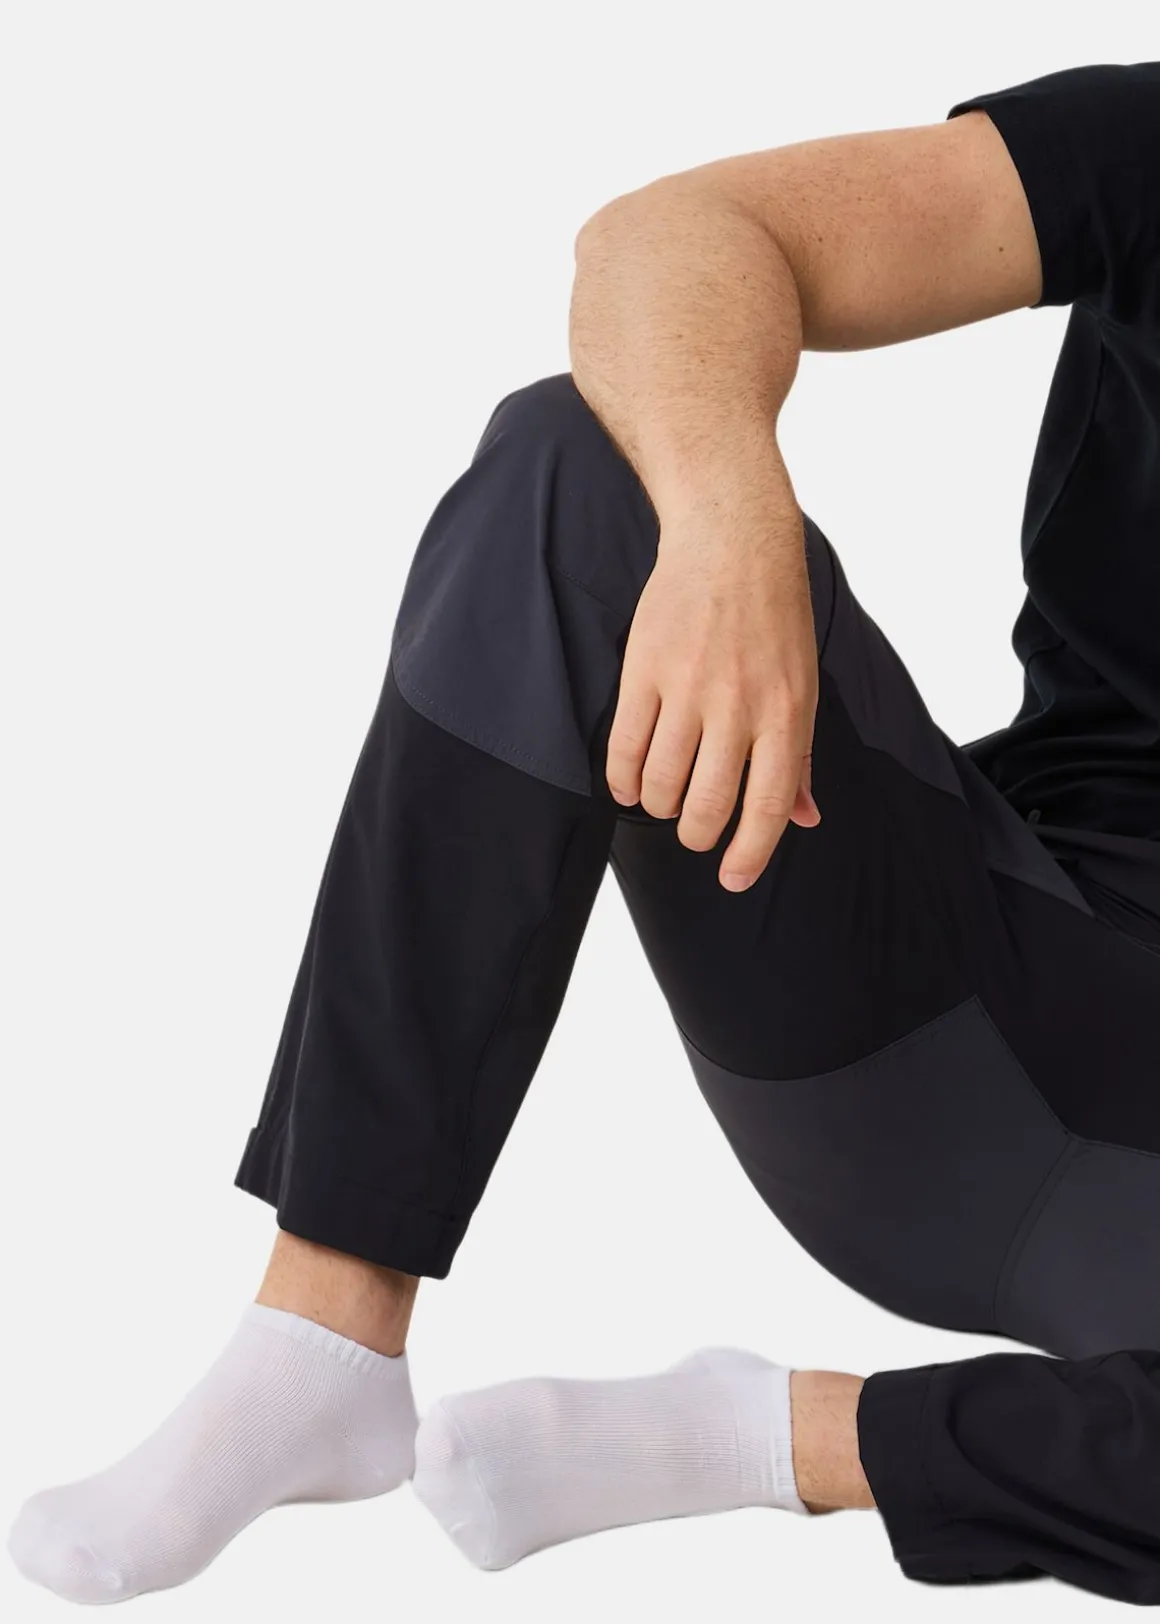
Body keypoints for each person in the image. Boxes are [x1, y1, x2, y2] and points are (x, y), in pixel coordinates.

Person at [10, 58, 1160, 1610]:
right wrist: (730, 526)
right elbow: (674, 238)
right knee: (585, 466)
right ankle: (323, 1337)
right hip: (973, 1016)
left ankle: (763, 1436)